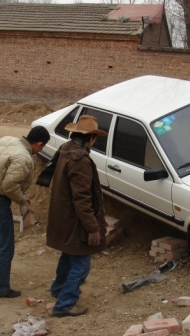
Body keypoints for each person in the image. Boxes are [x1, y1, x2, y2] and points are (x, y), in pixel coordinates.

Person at [0, 126, 50, 298]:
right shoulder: (24, 158)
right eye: (42, 147)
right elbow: (9, 186)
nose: (41, 150)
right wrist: (23, 201)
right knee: (6, 247)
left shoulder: (7, 139)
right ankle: (1, 289)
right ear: (38, 143)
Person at [46, 115, 108, 318]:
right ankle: (65, 304)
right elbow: (82, 198)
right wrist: (92, 228)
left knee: (68, 253)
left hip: (64, 217)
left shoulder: (65, 151)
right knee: (81, 264)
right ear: (91, 138)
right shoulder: (80, 160)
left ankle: (58, 289)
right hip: (75, 221)